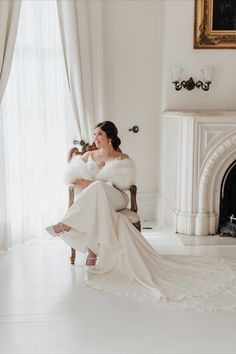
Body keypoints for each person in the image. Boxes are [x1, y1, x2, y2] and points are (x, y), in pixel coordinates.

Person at [46, 121, 236, 311]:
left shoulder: (122, 158)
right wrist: (97, 184)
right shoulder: (87, 156)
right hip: (97, 198)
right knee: (97, 191)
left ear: (109, 138)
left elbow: (124, 184)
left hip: (116, 197)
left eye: (99, 135)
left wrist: (98, 184)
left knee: (97, 189)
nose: (95, 138)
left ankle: (68, 225)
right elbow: (71, 178)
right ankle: (93, 250)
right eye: (94, 134)